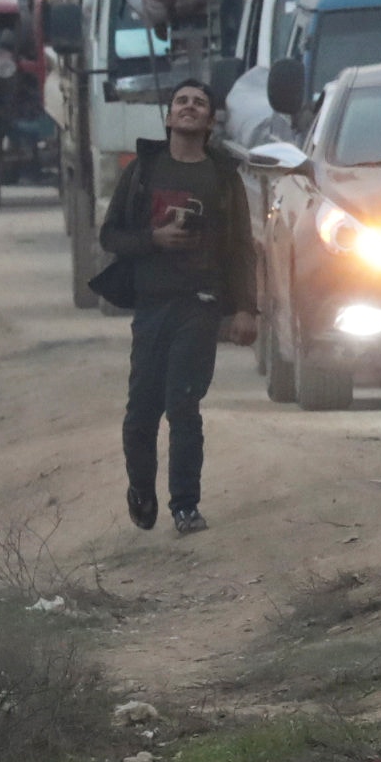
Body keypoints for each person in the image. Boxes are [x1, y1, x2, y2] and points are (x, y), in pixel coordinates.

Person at [93, 79, 258, 536]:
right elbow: (110, 236)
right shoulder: (143, 172)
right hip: (151, 307)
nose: (189, 108)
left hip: (200, 307)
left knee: (184, 405)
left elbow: (242, 248)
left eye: (199, 103)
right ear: (168, 117)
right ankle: (141, 491)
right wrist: (153, 239)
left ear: (209, 121)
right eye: (181, 102)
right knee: (141, 412)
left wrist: (246, 309)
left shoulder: (223, 179)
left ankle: (185, 504)